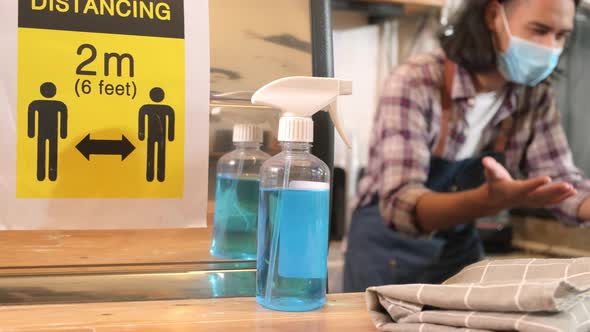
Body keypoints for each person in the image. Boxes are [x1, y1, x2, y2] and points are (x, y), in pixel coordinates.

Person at [343, 0, 589, 291]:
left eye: (561, 36)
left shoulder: (533, 98)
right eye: (539, 30)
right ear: (494, 15)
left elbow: (561, 181)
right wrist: (487, 201)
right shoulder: (416, 81)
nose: (550, 47)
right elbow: (400, 204)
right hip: (386, 252)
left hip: (457, 251)